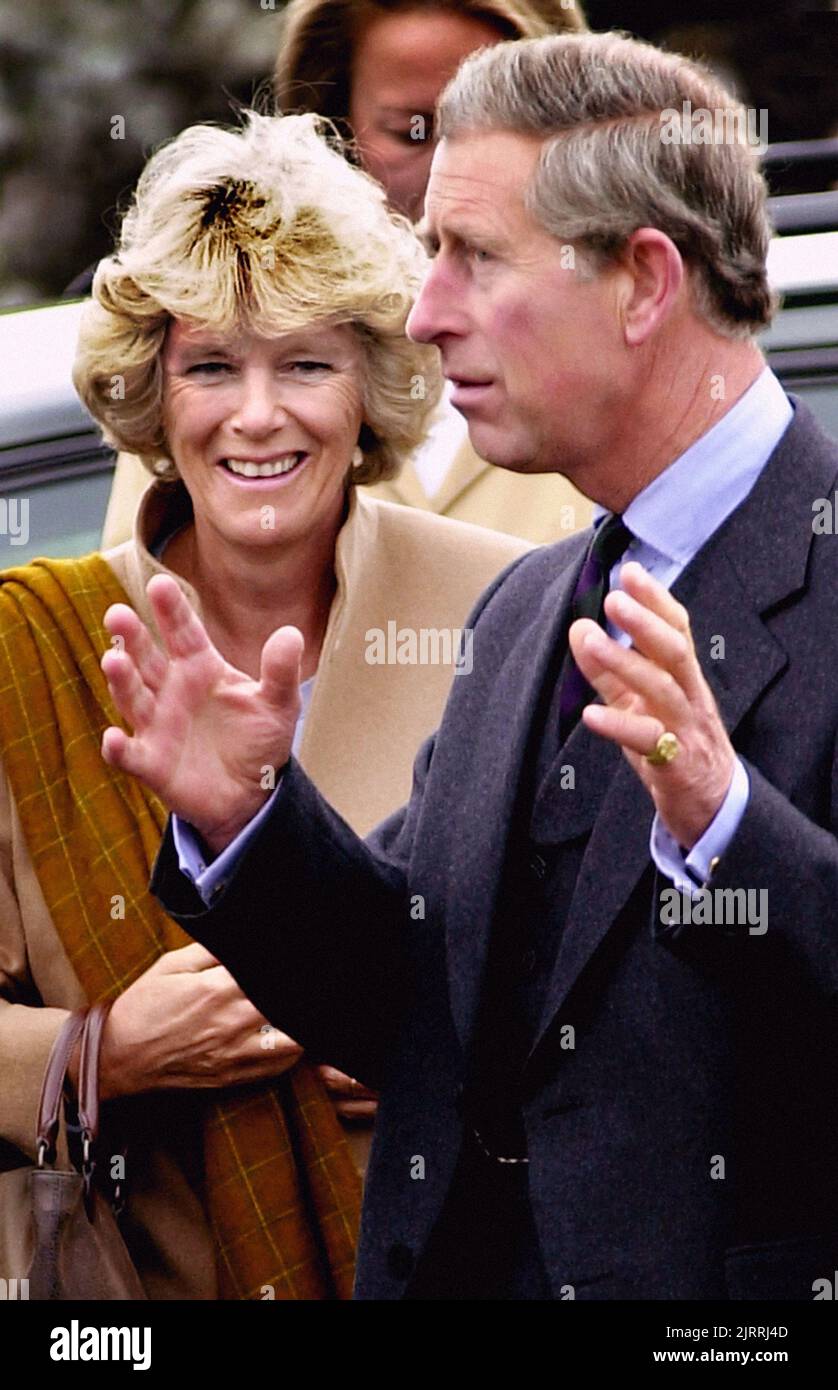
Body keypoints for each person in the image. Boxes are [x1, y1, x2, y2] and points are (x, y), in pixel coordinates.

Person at [103, 31, 838, 1300]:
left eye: (474, 258)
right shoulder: (525, 608)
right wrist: (248, 823)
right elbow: (413, 994)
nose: (426, 312)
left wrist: (728, 829)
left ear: (643, 281)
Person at [0, 109, 529, 1300]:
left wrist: (454, 1063)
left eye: (304, 362)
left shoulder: (507, 608)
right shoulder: (28, 645)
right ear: (151, 393)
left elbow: (622, 1008)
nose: (256, 415)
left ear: (372, 386)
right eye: (209, 367)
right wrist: (103, 1054)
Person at [101, 0, 590, 549]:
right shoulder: (204, 342)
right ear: (338, 130)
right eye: (412, 131)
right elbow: (134, 599)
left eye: (493, 134)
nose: (453, 175)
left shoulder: (616, 356)